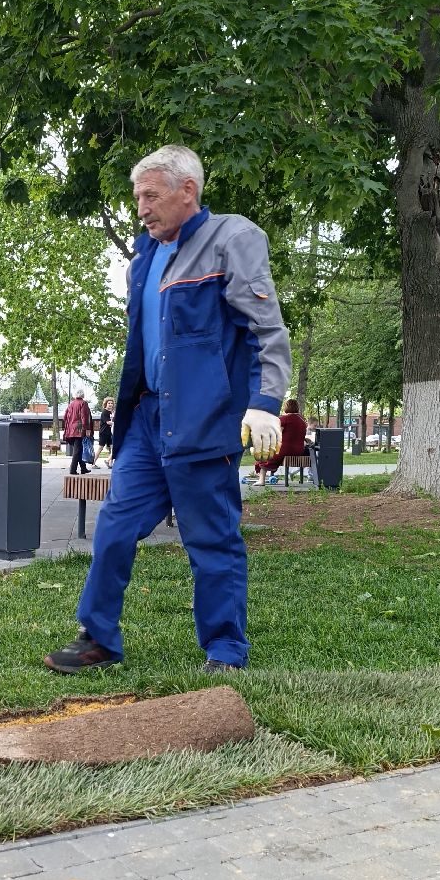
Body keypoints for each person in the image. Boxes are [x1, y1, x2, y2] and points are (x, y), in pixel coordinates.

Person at [44, 144, 290, 675]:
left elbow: (266, 331)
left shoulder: (233, 238)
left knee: (210, 539)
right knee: (113, 525)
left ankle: (225, 651)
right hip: (148, 422)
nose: (142, 208)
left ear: (189, 191)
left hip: (205, 421)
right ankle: (99, 639)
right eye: (137, 198)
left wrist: (265, 403)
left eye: (151, 196)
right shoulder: (144, 257)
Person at [248, 399, 308, 485]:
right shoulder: (302, 420)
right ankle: (271, 470)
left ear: (286, 407)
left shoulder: (284, 419)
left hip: (285, 449)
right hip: (299, 450)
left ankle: (261, 480)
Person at [63, 391, 93, 474]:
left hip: (70, 431)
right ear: (83, 395)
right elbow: (85, 417)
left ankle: (83, 468)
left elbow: (65, 417)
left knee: (79, 450)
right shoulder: (83, 403)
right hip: (79, 430)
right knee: (77, 451)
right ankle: (73, 470)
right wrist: (87, 429)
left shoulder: (71, 404)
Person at [95, 397, 114, 468]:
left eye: (111, 403)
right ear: (106, 404)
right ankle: (93, 463)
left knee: (112, 448)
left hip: (110, 433)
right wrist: (117, 423)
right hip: (104, 433)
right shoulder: (104, 412)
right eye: (109, 403)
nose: (110, 404)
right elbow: (108, 422)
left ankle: (110, 463)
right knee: (100, 448)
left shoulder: (111, 412)